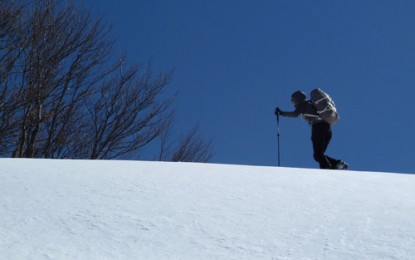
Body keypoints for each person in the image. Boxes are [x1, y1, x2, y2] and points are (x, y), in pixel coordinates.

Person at [275, 90, 348, 170]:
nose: (293, 103)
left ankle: (327, 169)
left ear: (297, 99)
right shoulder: (310, 103)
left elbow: (295, 114)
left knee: (318, 154)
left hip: (318, 128)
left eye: (293, 100)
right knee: (318, 155)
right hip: (327, 128)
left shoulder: (302, 104)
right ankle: (337, 164)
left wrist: (281, 113)